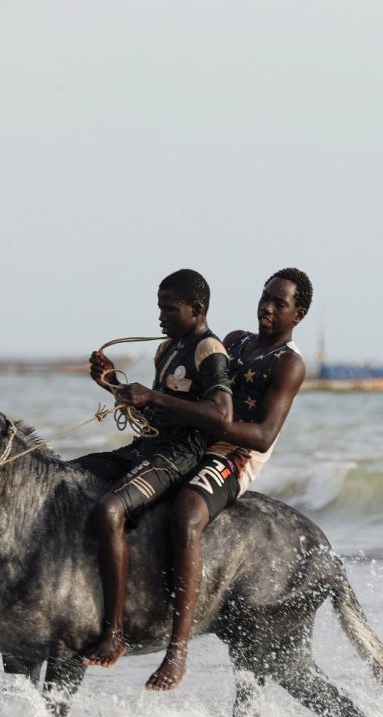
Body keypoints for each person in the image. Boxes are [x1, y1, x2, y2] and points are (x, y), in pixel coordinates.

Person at [145, 267, 312, 691]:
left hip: (237, 453)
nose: (267, 307)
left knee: (186, 514)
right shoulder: (235, 340)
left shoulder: (289, 365)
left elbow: (263, 435)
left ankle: (177, 650)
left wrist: (199, 421)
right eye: (265, 297)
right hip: (197, 437)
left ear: (300, 313)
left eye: (280, 303)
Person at [76, 269, 233, 669]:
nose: (161, 317)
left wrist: (152, 397)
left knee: (110, 510)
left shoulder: (209, 350)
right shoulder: (167, 350)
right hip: (148, 446)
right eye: (159, 308)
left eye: (169, 309)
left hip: (179, 456)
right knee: (65, 480)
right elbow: (151, 405)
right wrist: (112, 384)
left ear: (196, 310)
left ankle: (114, 634)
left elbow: (221, 414)